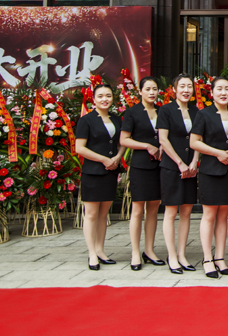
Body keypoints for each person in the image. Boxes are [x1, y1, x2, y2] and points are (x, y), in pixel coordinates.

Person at [190, 77, 228, 278]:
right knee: (209, 215)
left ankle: (220, 257)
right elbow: (194, 142)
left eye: (227, 89)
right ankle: (207, 258)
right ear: (212, 92)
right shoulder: (203, 114)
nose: (224, 93)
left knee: (223, 215)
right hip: (210, 170)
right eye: (219, 89)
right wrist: (218, 153)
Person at [75, 83, 125, 271]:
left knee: (104, 214)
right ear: (93, 99)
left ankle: (100, 250)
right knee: (91, 214)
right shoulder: (86, 120)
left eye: (108, 96)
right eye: (101, 96)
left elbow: (123, 142)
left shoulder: (116, 119)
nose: (105, 99)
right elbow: (80, 148)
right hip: (92, 172)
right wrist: (104, 159)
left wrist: (117, 158)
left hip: (110, 172)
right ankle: (92, 254)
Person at [119, 76, 165, 270]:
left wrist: (162, 147)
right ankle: (135, 253)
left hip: (160, 165)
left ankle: (149, 250)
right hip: (140, 166)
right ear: (140, 91)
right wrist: (146, 146)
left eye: (154, 89)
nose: (152, 92)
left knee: (154, 209)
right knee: (137, 210)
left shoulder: (163, 111)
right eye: (148, 89)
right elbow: (124, 140)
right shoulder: (132, 112)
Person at [157, 74, 200, 274]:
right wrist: (180, 163)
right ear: (174, 89)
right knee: (171, 211)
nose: (186, 90)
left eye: (189, 86)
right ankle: (172, 256)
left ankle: (182, 254)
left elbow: (199, 139)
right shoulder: (165, 110)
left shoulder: (196, 111)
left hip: (191, 167)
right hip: (172, 167)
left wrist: (194, 162)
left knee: (186, 211)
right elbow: (163, 140)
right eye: (182, 86)